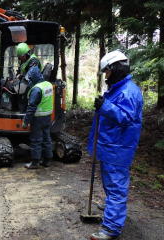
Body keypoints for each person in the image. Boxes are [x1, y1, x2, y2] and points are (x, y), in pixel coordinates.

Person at [87, 50, 143, 240]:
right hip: (111, 146)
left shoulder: (128, 91)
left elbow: (125, 118)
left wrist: (104, 106)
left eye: (107, 72)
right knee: (112, 184)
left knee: (116, 186)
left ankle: (111, 227)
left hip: (118, 148)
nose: (106, 76)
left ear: (116, 69)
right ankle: (113, 205)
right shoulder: (119, 88)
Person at [21, 66, 53, 169]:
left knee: (36, 140)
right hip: (48, 117)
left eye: (30, 78)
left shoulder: (36, 89)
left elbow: (31, 107)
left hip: (38, 119)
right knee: (47, 138)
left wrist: (26, 121)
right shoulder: (48, 85)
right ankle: (47, 160)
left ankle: (35, 163)